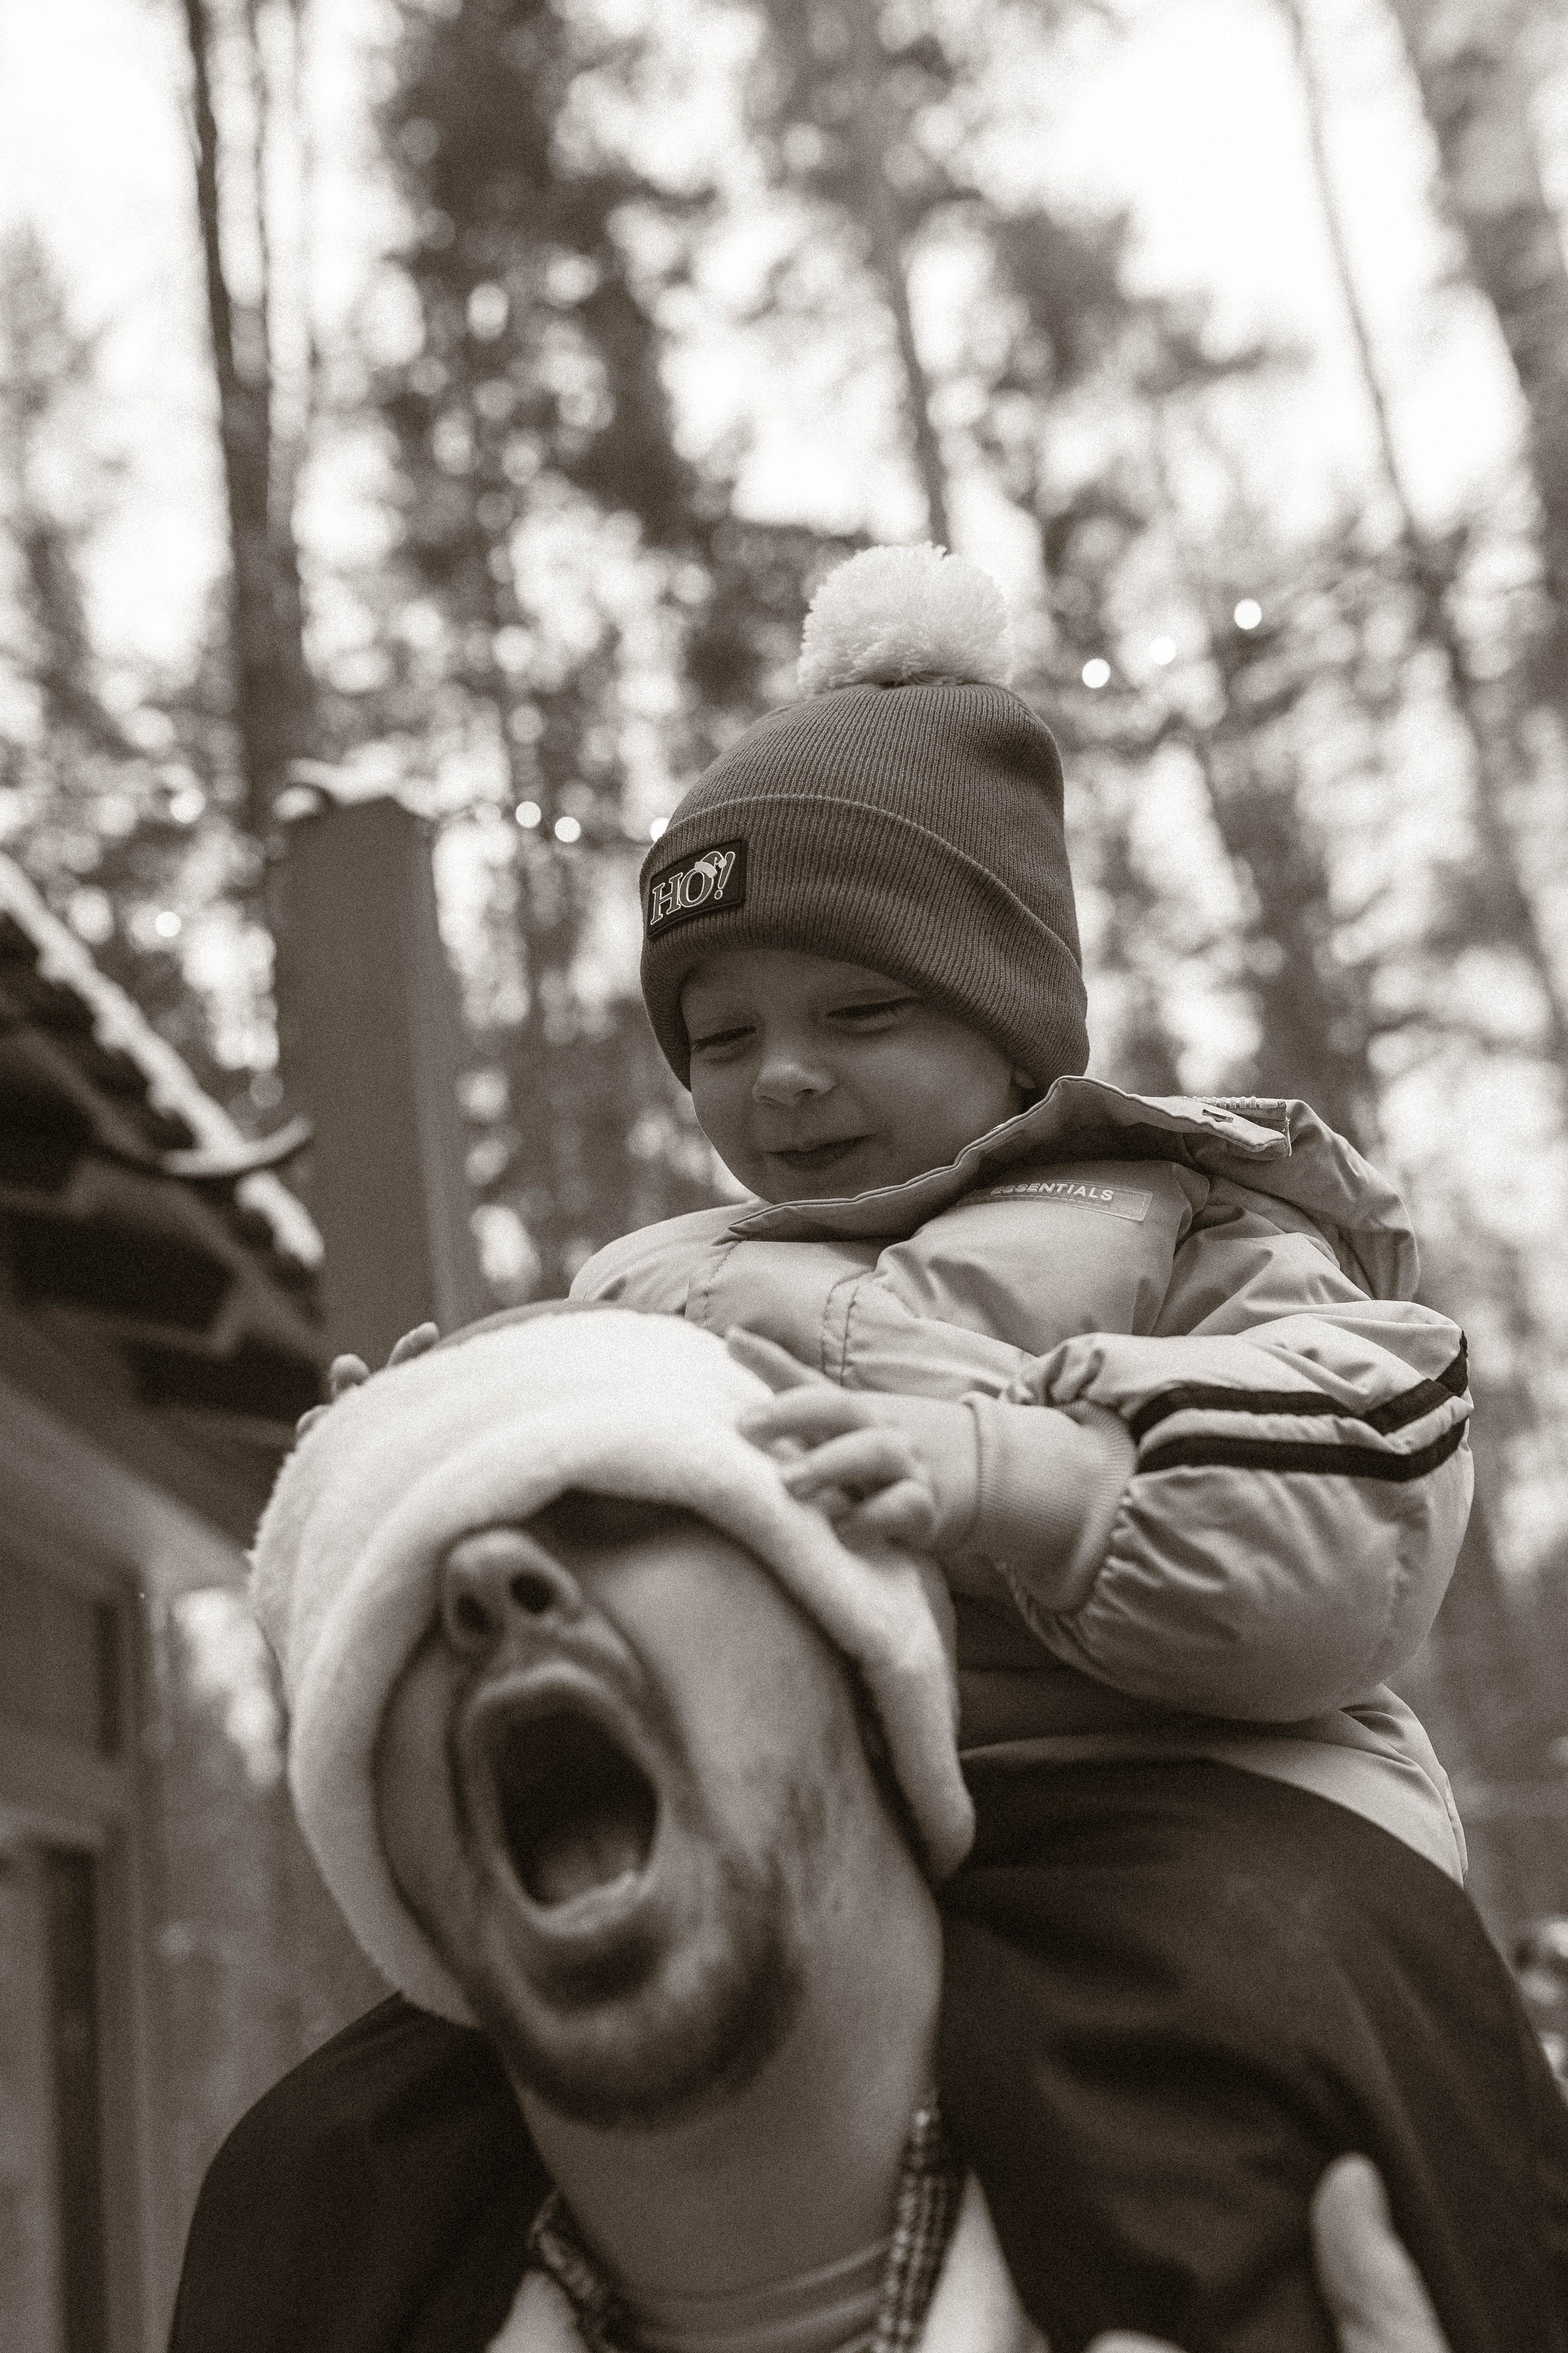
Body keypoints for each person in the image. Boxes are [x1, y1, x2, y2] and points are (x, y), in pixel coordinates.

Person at [547, 543, 1568, 2346]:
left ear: (1008, 1008)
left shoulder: (1193, 1217)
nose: (781, 1075)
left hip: (1190, 1797)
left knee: (1185, 2098)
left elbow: (1360, 1512)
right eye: (721, 1035)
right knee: (360, 2142)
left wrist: (1033, 1478)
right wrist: (425, 1445)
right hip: (821, 1831)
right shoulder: (654, 1286)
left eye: (861, 1011)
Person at [175, 1305, 1465, 2353]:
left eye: (612, 1506)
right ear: (379, 1853)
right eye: (389, 1597)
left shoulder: (1375, 2222)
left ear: (865, 1655)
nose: (483, 1580)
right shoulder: (288, 2283)